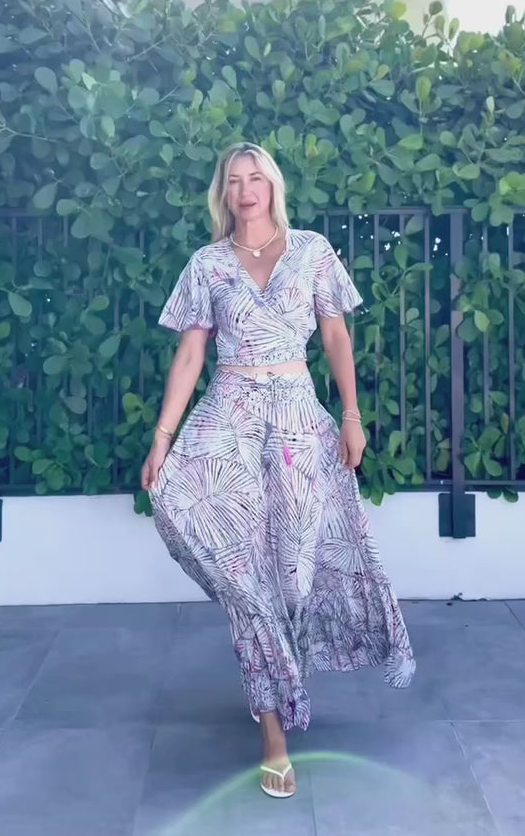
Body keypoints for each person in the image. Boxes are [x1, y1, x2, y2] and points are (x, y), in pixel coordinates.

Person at [141, 141, 415, 799]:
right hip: (228, 420)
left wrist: (352, 415)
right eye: (234, 181)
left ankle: (287, 680)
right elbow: (190, 357)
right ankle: (273, 733)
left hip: (296, 421)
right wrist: (162, 439)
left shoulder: (312, 250)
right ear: (223, 193)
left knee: (294, 573)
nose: (246, 190)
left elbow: (336, 337)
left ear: (273, 186)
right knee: (248, 579)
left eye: (256, 178)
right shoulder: (208, 264)